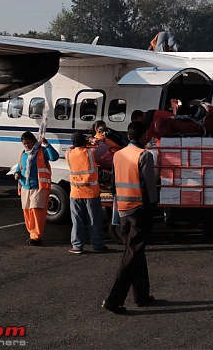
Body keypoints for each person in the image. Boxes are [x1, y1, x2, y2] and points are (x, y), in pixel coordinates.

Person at [102, 121, 159, 315]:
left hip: (123, 211)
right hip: (139, 211)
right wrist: (153, 208)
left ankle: (141, 295)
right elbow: (149, 187)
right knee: (132, 255)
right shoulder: (145, 156)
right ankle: (113, 299)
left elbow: (113, 184)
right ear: (143, 136)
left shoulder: (118, 155)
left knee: (136, 253)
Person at [12, 131, 59, 246]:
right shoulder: (23, 154)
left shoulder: (42, 152)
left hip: (39, 187)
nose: (27, 145)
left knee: (37, 212)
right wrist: (17, 173)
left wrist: (46, 144)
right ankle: (31, 233)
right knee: (27, 211)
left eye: (28, 143)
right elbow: (20, 166)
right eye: (24, 144)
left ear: (34, 141)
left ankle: (36, 236)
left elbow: (54, 157)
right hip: (25, 187)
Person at [66, 131, 107, 254]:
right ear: (84, 142)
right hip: (91, 192)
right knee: (94, 220)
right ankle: (97, 245)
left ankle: (77, 246)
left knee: (77, 221)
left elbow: (69, 148)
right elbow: (105, 147)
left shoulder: (68, 153)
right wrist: (94, 141)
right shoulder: (91, 152)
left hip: (75, 192)